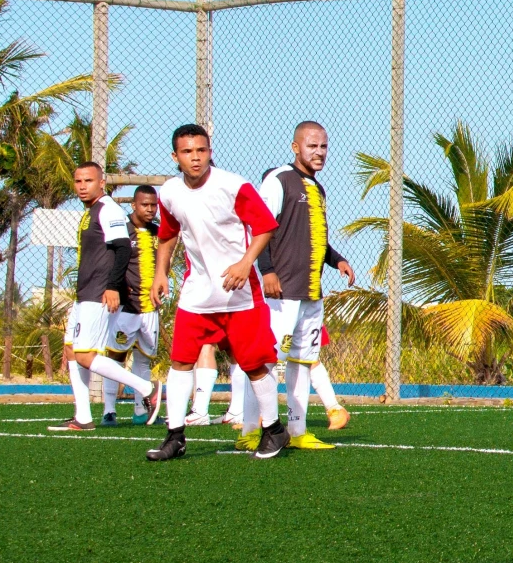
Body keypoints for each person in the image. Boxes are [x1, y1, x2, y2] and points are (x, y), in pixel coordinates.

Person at [146, 126, 289, 462]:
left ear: (210, 151)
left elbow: (266, 225)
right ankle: (175, 436)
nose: (195, 158)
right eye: (187, 152)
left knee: (254, 364)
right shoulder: (169, 192)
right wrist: (160, 272)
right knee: (180, 361)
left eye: (201, 150)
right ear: (175, 157)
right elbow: (167, 234)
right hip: (197, 293)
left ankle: (273, 429)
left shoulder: (232, 185)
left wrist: (245, 263)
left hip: (239, 294)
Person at [259, 122, 356, 452]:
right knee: (269, 358)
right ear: (295, 146)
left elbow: (317, 240)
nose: (318, 152)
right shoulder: (280, 180)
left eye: (323, 147)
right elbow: (262, 228)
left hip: (310, 291)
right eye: (312, 145)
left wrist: (338, 260)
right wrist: (267, 270)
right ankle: (255, 426)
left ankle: (297, 431)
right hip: (282, 291)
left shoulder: (318, 188)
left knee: (302, 360)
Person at [52, 164, 151, 430]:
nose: (82, 185)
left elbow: (122, 249)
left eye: (88, 180)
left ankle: (146, 387)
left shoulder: (108, 209)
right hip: (84, 293)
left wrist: (112, 286)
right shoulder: (90, 212)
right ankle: (83, 416)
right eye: (78, 181)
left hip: (98, 293)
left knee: (85, 355)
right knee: (72, 349)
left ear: (102, 182)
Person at [94, 185, 163, 426]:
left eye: (154, 205)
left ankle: (140, 411)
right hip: (125, 307)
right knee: (115, 357)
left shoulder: (158, 233)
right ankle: (109, 410)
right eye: (145, 205)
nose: (150, 210)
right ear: (133, 205)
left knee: (143, 359)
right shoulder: (123, 232)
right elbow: (112, 262)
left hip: (150, 308)